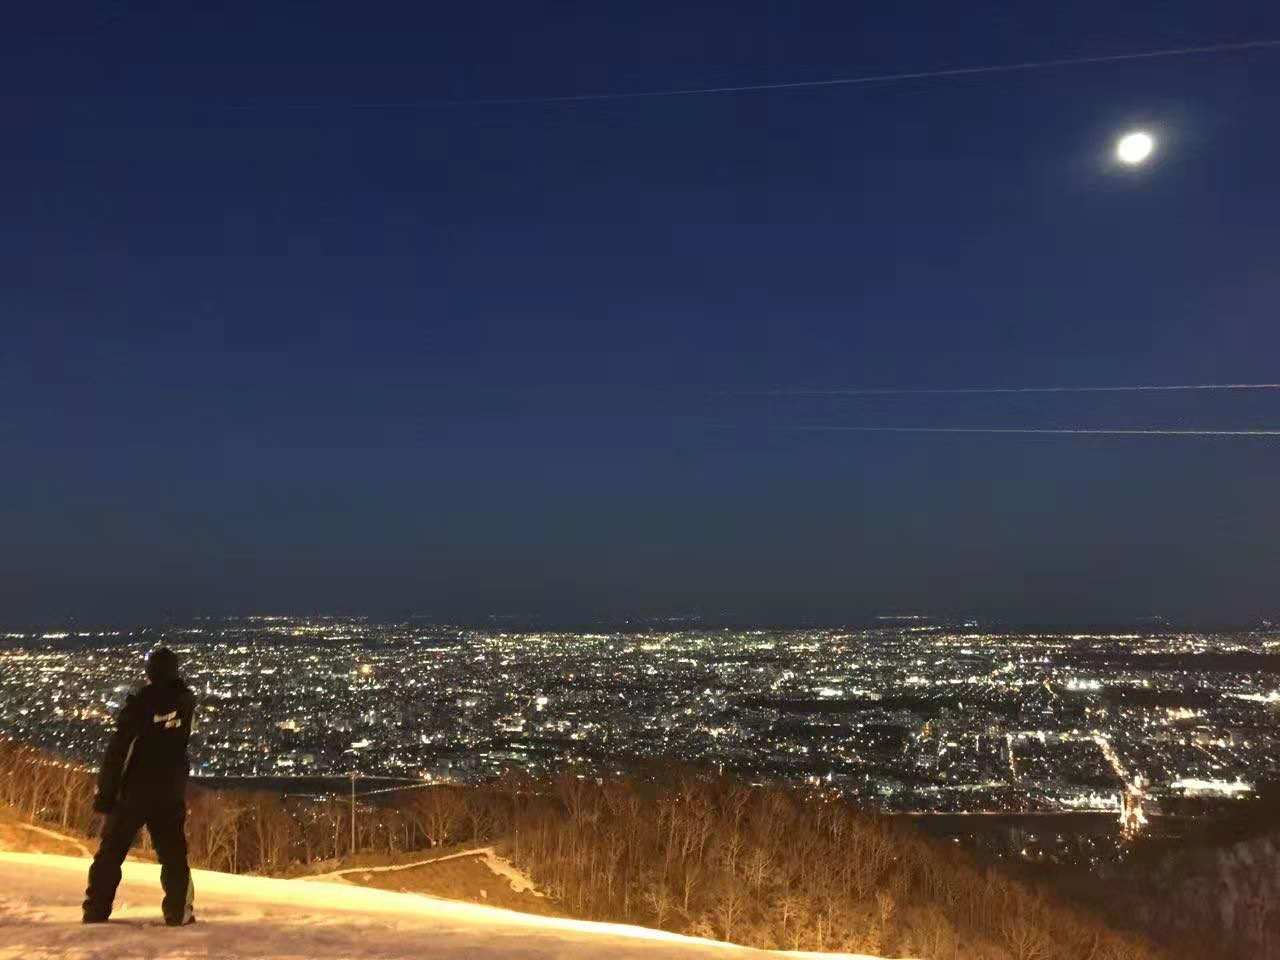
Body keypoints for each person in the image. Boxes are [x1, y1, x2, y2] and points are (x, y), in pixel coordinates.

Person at [82, 646, 197, 926]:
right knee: (173, 855)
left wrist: (106, 793)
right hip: (169, 791)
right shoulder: (185, 704)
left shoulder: (139, 707)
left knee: (111, 853)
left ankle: (96, 910)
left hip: (133, 791)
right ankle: (178, 912)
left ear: (150, 672)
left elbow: (118, 753)